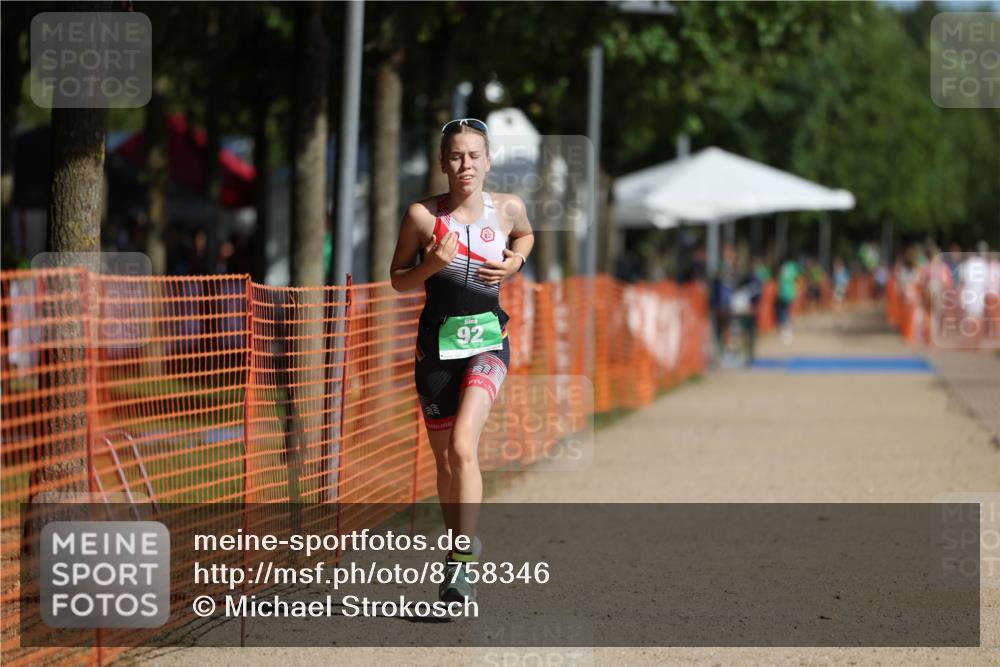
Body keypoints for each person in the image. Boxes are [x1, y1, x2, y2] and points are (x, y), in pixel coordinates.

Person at [389, 118, 534, 603]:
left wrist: (516, 261)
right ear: (442, 163)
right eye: (455, 156)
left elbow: (525, 238)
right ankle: (456, 550)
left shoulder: (509, 209)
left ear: (489, 161)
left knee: (463, 447)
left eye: (474, 155)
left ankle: (463, 562)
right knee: (446, 462)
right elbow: (398, 279)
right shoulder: (422, 218)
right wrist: (430, 265)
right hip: (435, 350)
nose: (465, 164)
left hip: (489, 343)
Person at [776, 255, 801, 344]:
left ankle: (785, 328)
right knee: (790, 311)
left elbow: (780, 279)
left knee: (784, 311)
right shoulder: (793, 266)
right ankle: (789, 328)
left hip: (783, 293)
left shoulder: (783, 267)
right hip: (791, 292)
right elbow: (797, 278)